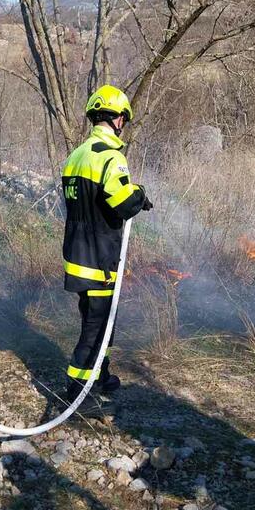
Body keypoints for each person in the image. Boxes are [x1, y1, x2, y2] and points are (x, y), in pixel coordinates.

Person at [60, 85, 152, 419]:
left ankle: (99, 374)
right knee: (96, 327)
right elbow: (121, 203)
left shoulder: (76, 156)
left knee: (96, 320)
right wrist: (139, 194)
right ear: (117, 118)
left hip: (77, 255)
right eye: (123, 118)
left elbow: (88, 203)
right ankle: (75, 393)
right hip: (100, 259)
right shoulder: (111, 157)